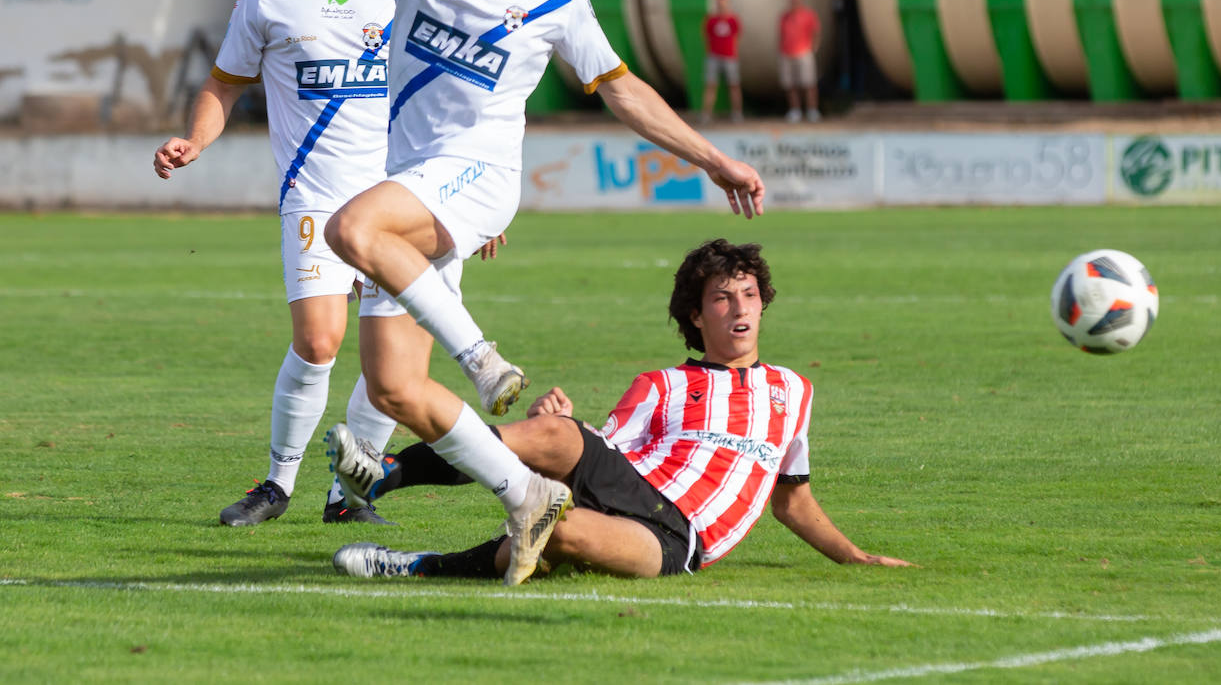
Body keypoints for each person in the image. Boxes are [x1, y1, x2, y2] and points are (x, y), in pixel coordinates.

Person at [258, 0, 767, 584]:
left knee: (351, 226)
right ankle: (525, 494)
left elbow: (622, 89)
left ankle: (483, 358)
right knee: (394, 388)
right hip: (420, 187)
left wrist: (713, 157)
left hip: (479, 179)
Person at [327, 239, 911, 579]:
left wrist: (854, 556)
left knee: (558, 532)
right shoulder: (660, 384)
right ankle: (382, 475)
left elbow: (792, 498)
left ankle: (416, 566)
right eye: (722, 297)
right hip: (635, 482)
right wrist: (553, 417)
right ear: (696, 316)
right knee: (555, 437)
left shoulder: (794, 390)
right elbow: (599, 447)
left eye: (750, 294)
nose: (740, 308)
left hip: (681, 542)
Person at [152, 0, 400, 526]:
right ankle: (278, 484)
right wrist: (196, 141)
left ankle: (348, 496)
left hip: (394, 201)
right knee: (319, 342)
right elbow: (224, 84)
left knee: (390, 356)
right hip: (314, 197)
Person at [778, 0, 821, 123]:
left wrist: (813, 48)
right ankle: (795, 111)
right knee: (790, 85)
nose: (794, 2)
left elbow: (816, 32)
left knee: (809, 84)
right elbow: (781, 35)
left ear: (801, 1)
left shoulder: (809, 15)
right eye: (792, 0)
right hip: (787, 53)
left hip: (804, 53)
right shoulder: (784, 16)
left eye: (797, 0)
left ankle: (812, 110)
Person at [701, 0, 743, 123]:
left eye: (724, 4)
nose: (721, 7)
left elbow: (737, 36)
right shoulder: (711, 20)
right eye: (719, 4)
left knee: (734, 85)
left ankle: (737, 113)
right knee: (711, 85)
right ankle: (706, 114)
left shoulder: (733, 20)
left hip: (730, 57)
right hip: (714, 57)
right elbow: (706, 35)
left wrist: (731, 51)